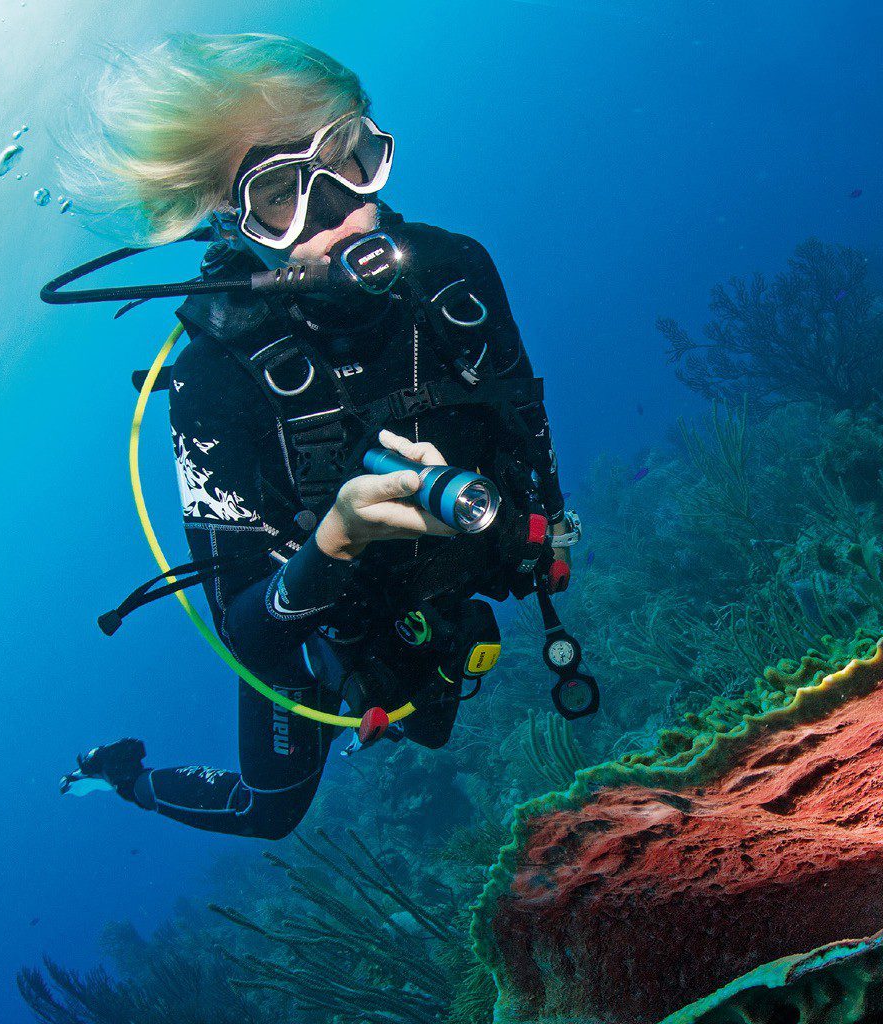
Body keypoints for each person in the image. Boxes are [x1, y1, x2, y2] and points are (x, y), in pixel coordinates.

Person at [56, 33, 577, 840]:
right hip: (318, 618)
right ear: (231, 223)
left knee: (432, 711)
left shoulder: (453, 269)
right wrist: (336, 538)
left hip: (440, 575)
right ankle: (120, 775)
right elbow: (249, 634)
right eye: (281, 195)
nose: (343, 209)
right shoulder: (213, 385)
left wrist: (538, 535)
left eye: (350, 158)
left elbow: (525, 429)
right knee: (272, 812)